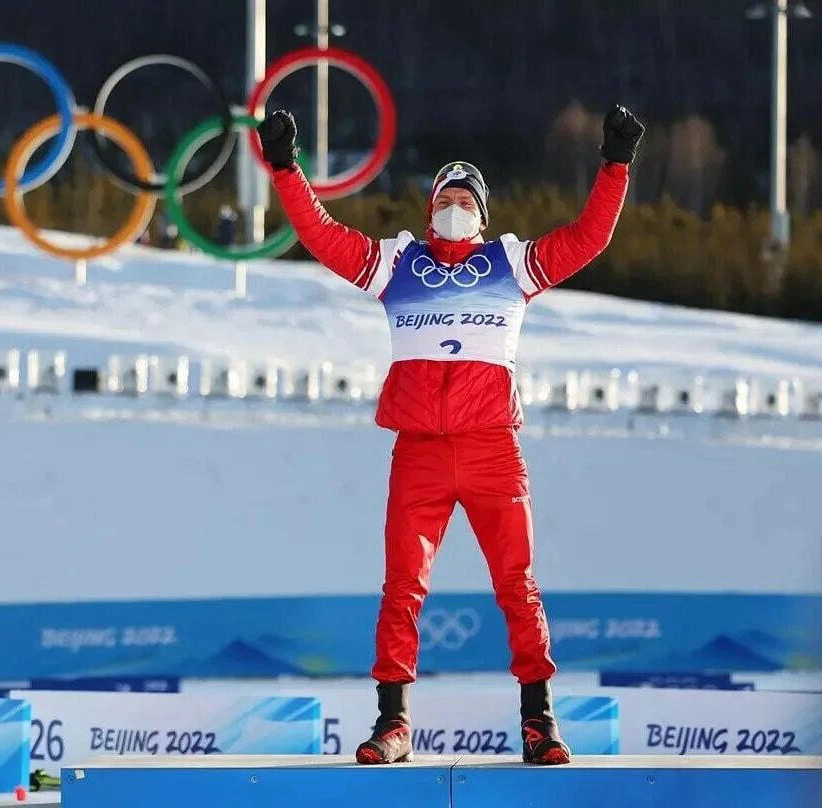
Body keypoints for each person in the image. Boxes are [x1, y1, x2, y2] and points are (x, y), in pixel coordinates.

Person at [257, 104, 644, 766]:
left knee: (517, 585)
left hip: (493, 450)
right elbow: (321, 236)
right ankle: (392, 723)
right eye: (445, 196)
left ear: (484, 214)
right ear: (428, 206)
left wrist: (614, 165)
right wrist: (285, 168)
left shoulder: (512, 265)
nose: (454, 206)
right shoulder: (395, 265)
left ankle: (538, 722)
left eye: (465, 199)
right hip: (419, 453)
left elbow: (586, 239)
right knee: (401, 587)